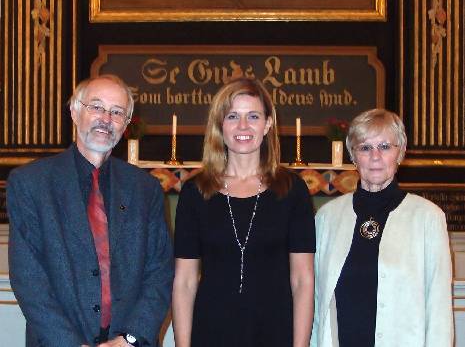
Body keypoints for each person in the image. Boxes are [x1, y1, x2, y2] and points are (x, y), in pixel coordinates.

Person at [7, 74, 174, 347]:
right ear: (74, 111)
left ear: (126, 124)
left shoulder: (146, 189)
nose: (106, 119)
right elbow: (29, 279)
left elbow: (160, 272)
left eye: (117, 112)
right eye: (96, 107)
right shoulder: (31, 184)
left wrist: (128, 339)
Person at [172, 77, 316, 347]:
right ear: (219, 126)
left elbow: (302, 280)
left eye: (253, 116)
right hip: (211, 331)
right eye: (232, 116)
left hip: (275, 331)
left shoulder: (291, 189)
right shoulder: (196, 191)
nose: (243, 126)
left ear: (268, 124)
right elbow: (185, 281)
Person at [311, 109, 454, 346]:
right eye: (365, 148)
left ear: (400, 153)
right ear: (353, 156)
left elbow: (438, 309)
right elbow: (317, 301)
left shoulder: (427, 217)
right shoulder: (327, 217)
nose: (375, 156)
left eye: (385, 147)